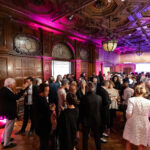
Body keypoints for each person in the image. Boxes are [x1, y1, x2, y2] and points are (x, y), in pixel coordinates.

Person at [0, 78, 29, 148]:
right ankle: (6, 144)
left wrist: (21, 92)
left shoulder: (4, 89)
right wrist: (23, 89)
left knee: (7, 126)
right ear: (9, 84)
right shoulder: (6, 91)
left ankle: (4, 139)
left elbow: (13, 97)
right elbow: (15, 97)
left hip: (7, 111)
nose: (15, 84)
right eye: (14, 83)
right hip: (9, 112)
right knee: (9, 127)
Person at [80, 82, 102, 150]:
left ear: (88, 88)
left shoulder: (84, 98)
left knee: (85, 138)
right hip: (96, 119)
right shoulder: (99, 97)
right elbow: (100, 109)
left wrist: (80, 121)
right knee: (97, 137)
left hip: (86, 120)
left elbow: (81, 111)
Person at [33, 83, 51, 150]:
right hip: (43, 126)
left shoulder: (39, 98)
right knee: (44, 143)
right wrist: (51, 110)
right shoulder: (41, 100)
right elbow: (45, 113)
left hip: (40, 125)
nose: (48, 92)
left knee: (43, 142)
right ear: (42, 91)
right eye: (47, 90)